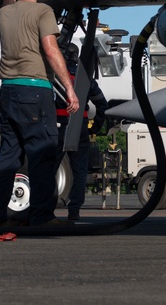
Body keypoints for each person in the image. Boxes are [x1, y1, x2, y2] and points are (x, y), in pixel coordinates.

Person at [0, 0, 79, 228]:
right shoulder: (43, 10)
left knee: (7, 155)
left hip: (8, 90)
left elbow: (9, 0)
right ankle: (42, 216)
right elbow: (50, 49)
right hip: (35, 90)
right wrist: (69, 87)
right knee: (42, 153)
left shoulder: (4, 13)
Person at [56, 43, 109, 221]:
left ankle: (45, 209)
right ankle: (74, 210)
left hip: (58, 125)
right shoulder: (85, 78)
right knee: (79, 171)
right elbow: (102, 104)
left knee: (50, 169)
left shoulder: (55, 75)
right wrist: (96, 126)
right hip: (80, 126)